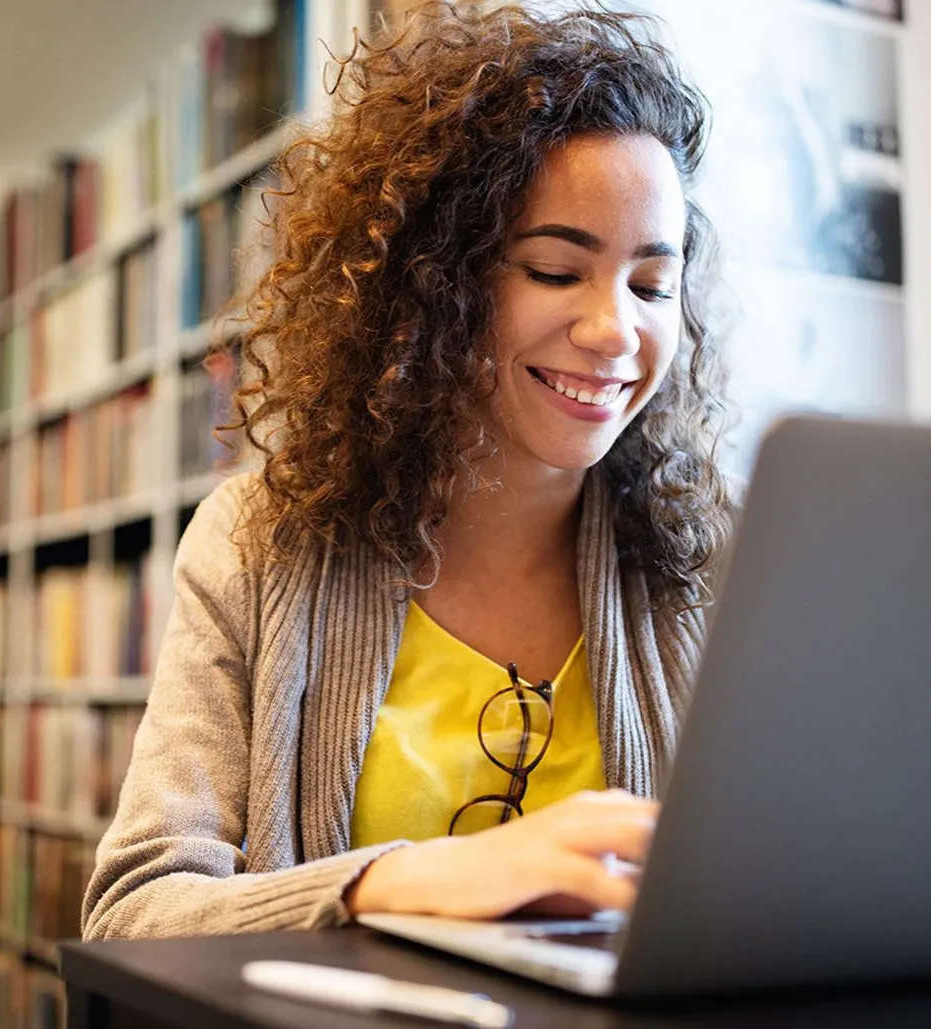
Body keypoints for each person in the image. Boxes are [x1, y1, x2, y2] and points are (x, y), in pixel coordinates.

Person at [81, 0, 735, 939]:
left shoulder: (714, 565)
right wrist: (399, 882)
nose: (615, 332)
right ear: (432, 280)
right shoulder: (256, 543)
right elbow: (131, 909)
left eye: (651, 285)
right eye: (555, 270)